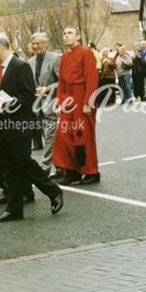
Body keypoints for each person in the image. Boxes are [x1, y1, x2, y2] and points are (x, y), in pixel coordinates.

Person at [0, 33, 64, 223]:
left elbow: (28, 96)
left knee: (23, 163)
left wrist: (4, 108)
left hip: (19, 125)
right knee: (7, 167)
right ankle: (14, 209)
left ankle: (53, 191)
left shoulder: (21, 66)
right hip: (3, 125)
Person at [53, 27, 100, 186]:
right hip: (68, 98)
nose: (66, 36)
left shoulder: (86, 53)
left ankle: (90, 171)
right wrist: (59, 102)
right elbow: (61, 82)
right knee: (64, 136)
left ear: (78, 37)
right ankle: (71, 171)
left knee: (83, 138)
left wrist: (88, 102)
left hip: (82, 97)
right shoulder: (64, 57)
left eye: (70, 33)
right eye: (64, 34)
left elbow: (91, 78)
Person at [28, 32, 61, 176]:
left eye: (38, 43)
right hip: (37, 107)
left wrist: (47, 88)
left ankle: (45, 168)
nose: (35, 46)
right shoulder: (30, 62)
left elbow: (63, 82)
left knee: (49, 137)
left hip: (51, 104)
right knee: (49, 138)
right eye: (33, 43)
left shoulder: (55, 59)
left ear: (46, 44)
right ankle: (60, 167)